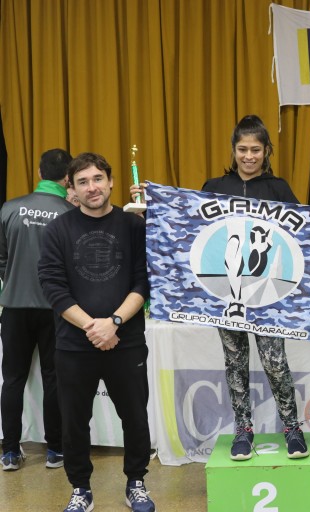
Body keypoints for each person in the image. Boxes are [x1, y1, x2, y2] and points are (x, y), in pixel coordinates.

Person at [38, 152, 155, 512]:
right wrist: (94, 327)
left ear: (111, 181)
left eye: (98, 178)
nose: (92, 187)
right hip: (74, 345)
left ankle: (136, 482)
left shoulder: (134, 226)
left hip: (126, 342)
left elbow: (143, 281)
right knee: (74, 422)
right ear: (71, 189)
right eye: (83, 181)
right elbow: (53, 287)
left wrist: (114, 322)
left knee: (135, 417)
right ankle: (80, 489)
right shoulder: (57, 230)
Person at [199, 115, 310, 461]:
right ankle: (243, 430)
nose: (249, 156)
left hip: (267, 294)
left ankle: (292, 428)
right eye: (243, 149)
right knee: (235, 363)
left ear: (266, 151)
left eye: (256, 150)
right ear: (233, 150)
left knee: (275, 363)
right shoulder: (214, 186)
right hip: (225, 294)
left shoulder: (278, 188)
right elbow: (193, 231)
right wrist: (150, 207)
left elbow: (308, 231)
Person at [0, 149, 74, 471]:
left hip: (14, 306)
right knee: (54, 378)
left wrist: (14, 280)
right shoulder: (70, 213)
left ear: (40, 173)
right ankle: (55, 449)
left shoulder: (9, 208)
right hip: (55, 308)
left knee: (12, 379)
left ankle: (10, 452)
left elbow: (1, 259)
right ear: (68, 178)